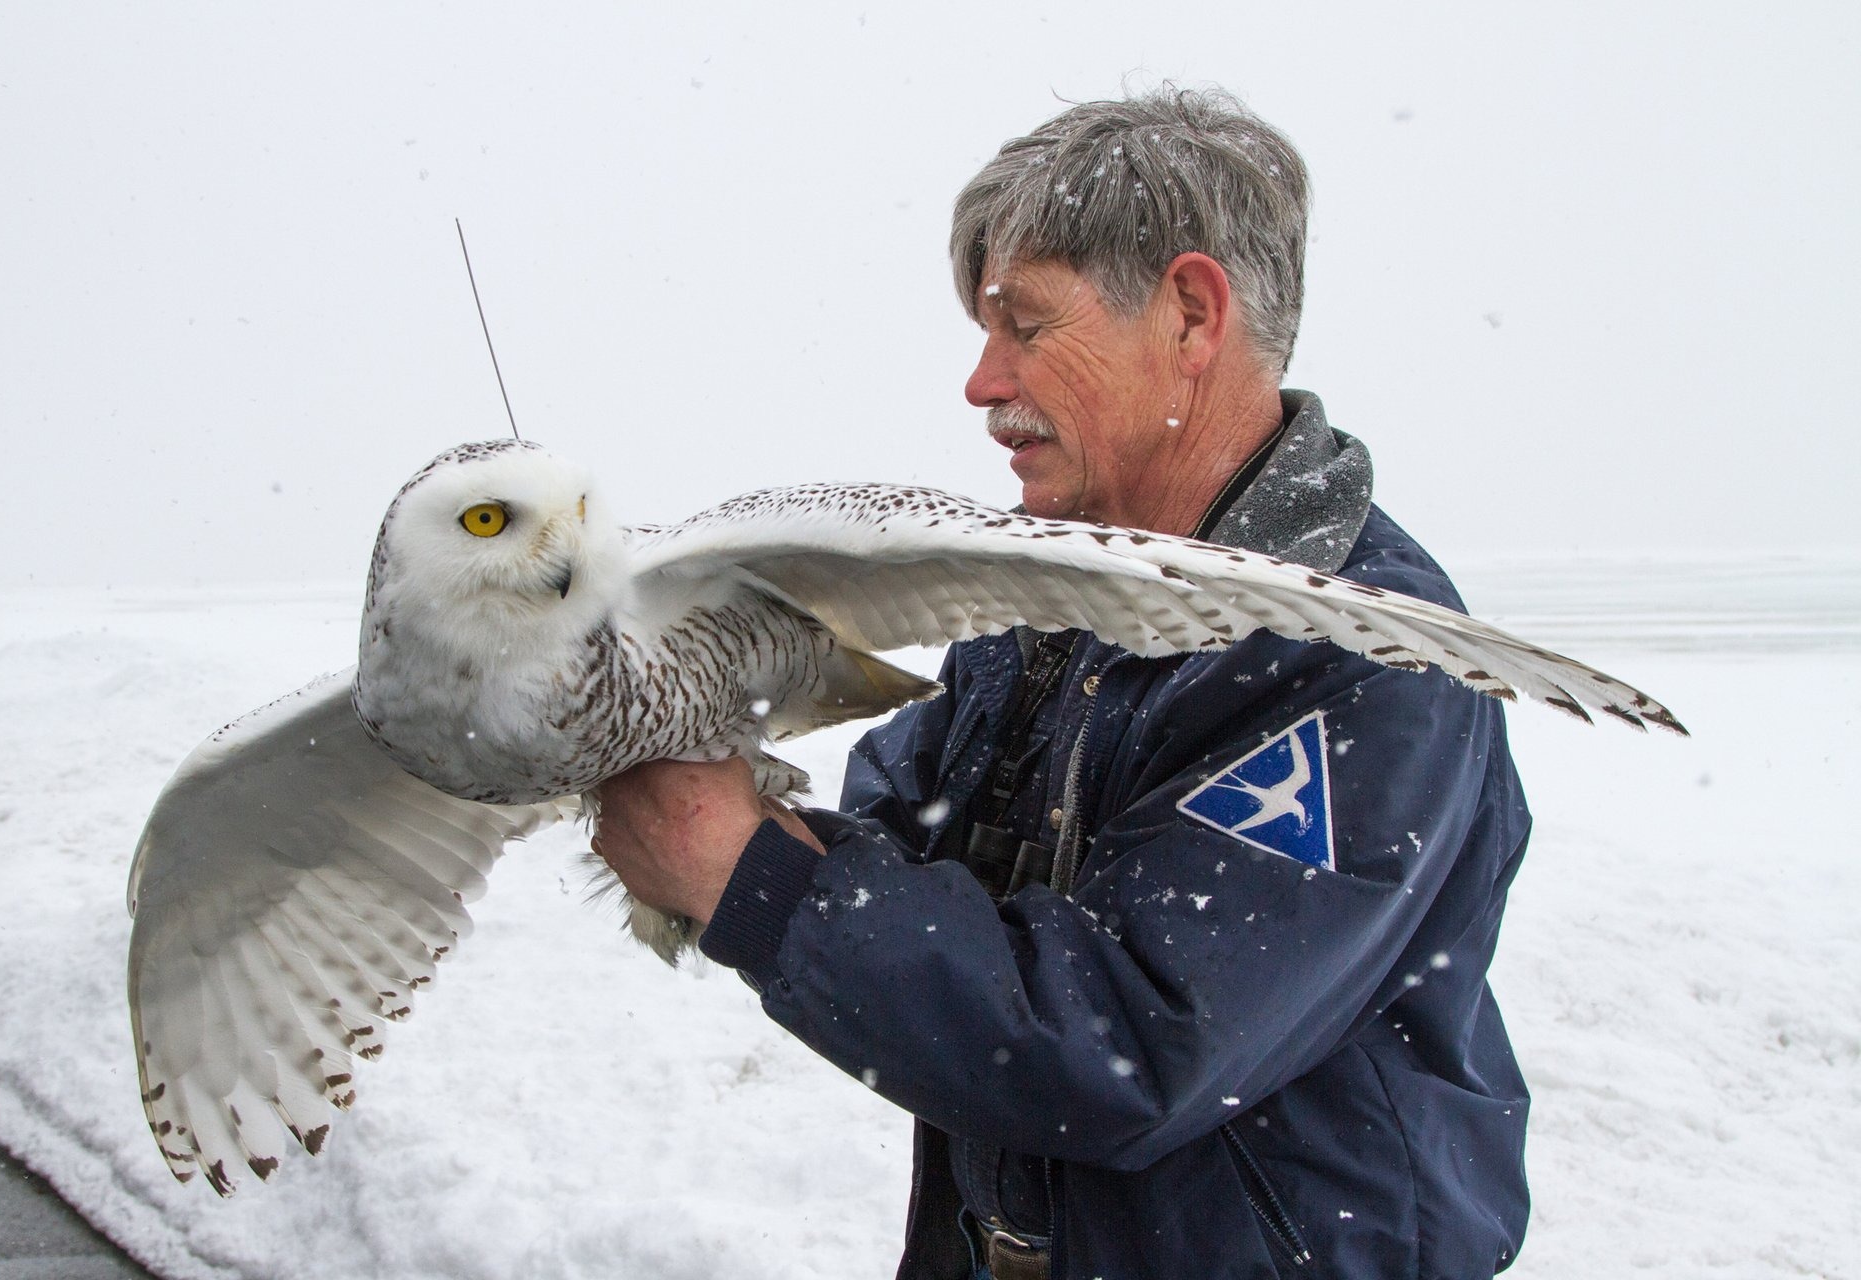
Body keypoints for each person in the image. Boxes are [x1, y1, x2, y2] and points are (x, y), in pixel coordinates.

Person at [594, 87, 1532, 1279]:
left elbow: (1133, 1040)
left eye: (1025, 326)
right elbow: (905, 843)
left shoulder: (1366, 657)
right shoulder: (1043, 597)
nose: (982, 383)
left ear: (1191, 312)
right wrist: (711, 774)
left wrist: (749, 873)